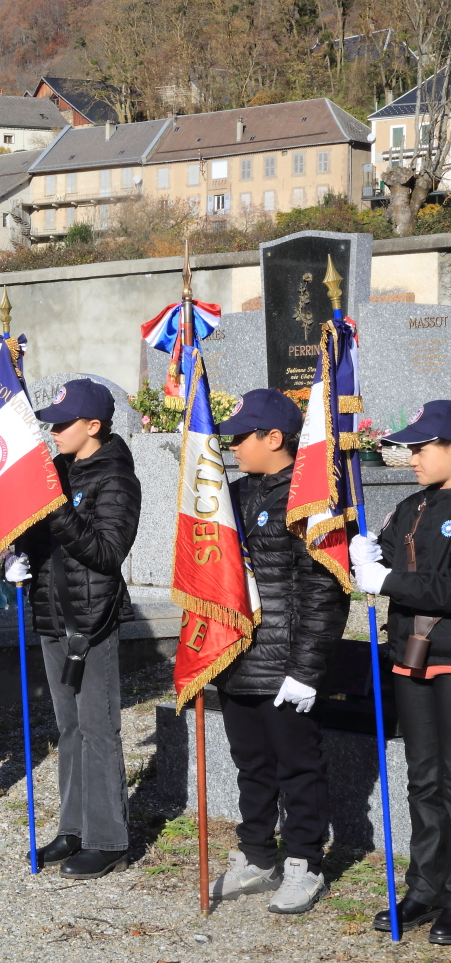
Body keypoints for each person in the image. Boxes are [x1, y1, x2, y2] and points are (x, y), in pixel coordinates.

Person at [207, 388, 347, 914]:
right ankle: (257, 855)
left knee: (298, 766)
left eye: (241, 437)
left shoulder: (308, 498)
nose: (233, 446)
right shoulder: (229, 494)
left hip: (286, 664)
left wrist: (306, 670)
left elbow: (322, 591)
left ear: (274, 438)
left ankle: (304, 862)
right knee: (251, 765)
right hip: (236, 657)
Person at [2, 378, 140, 879]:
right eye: (52, 423)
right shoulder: (57, 472)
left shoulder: (117, 478)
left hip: (91, 617)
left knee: (99, 727)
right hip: (51, 612)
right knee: (69, 727)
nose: (53, 431)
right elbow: (41, 537)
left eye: (63, 424)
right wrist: (17, 554)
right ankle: (74, 827)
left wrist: (58, 509)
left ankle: (108, 840)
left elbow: (107, 552)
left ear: (94, 426)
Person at [354, 401, 451, 939]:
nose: (412, 458)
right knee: (423, 778)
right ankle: (426, 886)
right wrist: (364, 554)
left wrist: (386, 580)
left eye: (422, 448)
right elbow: (386, 555)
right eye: (410, 449)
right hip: (411, 659)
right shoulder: (411, 506)